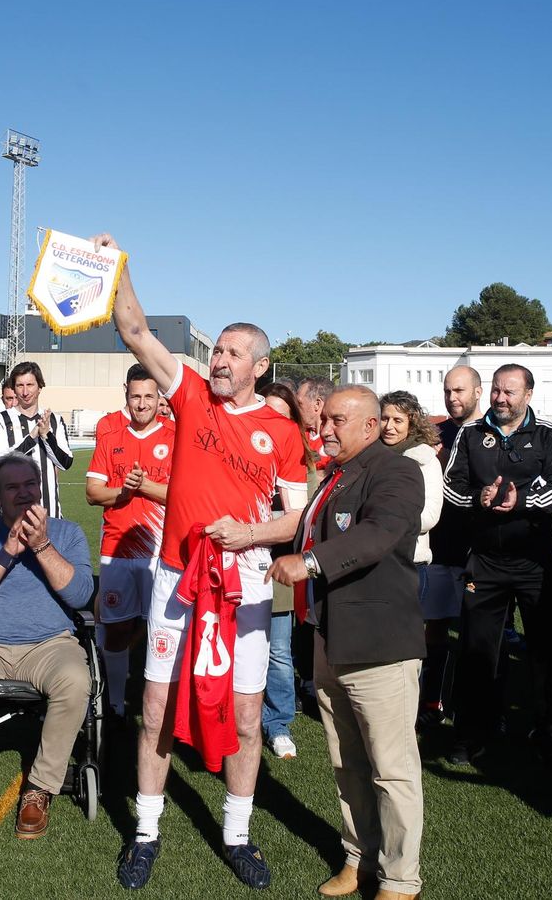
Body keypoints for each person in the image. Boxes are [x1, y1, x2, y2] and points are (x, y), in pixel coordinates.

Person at [93, 232, 308, 891]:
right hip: (174, 578)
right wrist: (118, 265)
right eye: (216, 348)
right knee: (155, 705)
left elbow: (297, 516)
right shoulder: (186, 392)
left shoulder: (285, 431)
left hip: (242, 582)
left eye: (232, 352)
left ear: (258, 367)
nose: (217, 358)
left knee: (245, 714)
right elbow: (132, 329)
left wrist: (251, 535)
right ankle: (147, 831)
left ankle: (237, 833)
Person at [268, 385, 425, 900]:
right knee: (347, 765)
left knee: (392, 770)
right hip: (330, 639)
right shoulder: (334, 476)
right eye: (325, 419)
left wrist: (309, 563)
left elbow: (377, 535)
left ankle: (400, 880)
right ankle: (359, 859)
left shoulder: (397, 471)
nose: (325, 429)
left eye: (337, 420)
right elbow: (304, 532)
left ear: (371, 425)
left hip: (379, 645)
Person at [0, 454, 93, 839]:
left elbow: (80, 596)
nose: (24, 493)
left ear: (40, 489)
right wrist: (7, 552)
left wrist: (41, 545)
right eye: (12, 487)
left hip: (49, 645)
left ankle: (40, 789)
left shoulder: (68, 532)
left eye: (30, 484)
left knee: (76, 680)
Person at [442, 363, 552, 767]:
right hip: (486, 561)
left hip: (534, 561)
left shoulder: (548, 434)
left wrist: (524, 502)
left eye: (509, 392)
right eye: (496, 390)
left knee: (546, 653)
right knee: (477, 651)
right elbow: (452, 486)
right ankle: (471, 733)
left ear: (528, 395)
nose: (500, 398)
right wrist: (478, 499)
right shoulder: (470, 433)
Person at [85, 364, 174, 723]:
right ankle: (117, 703)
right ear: (126, 394)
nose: (141, 404)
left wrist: (143, 487)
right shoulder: (111, 438)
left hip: (162, 551)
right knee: (119, 626)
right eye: (135, 396)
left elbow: (184, 494)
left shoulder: (176, 436)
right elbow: (93, 493)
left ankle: (161, 704)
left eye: (148, 396)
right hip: (117, 550)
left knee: (163, 630)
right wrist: (122, 492)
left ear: (159, 397)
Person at [417, 365, 483, 728]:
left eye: (459, 390)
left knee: (478, 635)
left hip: (483, 550)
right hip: (441, 546)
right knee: (436, 629)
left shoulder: (493, 432)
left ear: (478, 391)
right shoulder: (435, 435)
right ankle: (432, 702)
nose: (452, 397)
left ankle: (475, 707)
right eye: (447, 391)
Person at [259, 381, 319, 759]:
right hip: (236, 567)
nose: (271, 421)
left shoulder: (301, 459)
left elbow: (305, 518)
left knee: (279, 650)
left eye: (281, 415)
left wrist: (265, 521)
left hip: (279, 566)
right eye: (266, 412)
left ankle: (278, 722)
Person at [378, 390, 443, 615]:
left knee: (403, 638)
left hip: (410, 560)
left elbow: (430, 515)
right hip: (372, 559)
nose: (389, 427)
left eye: (397, 420)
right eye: (385, 418)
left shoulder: (425, 461)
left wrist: (384, 523)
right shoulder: (369, 456)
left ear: (412, 422)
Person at [0, 362, 73, 518]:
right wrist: (33, 436)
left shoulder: (54, 420)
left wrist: (47, 436)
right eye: (20, 385)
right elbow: (0, 465)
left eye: (30, 385)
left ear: (40, 387)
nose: (25, 392)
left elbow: (65, 463)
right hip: (11, 517)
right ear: (13, 388)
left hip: (49, 514)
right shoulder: (0, 421)